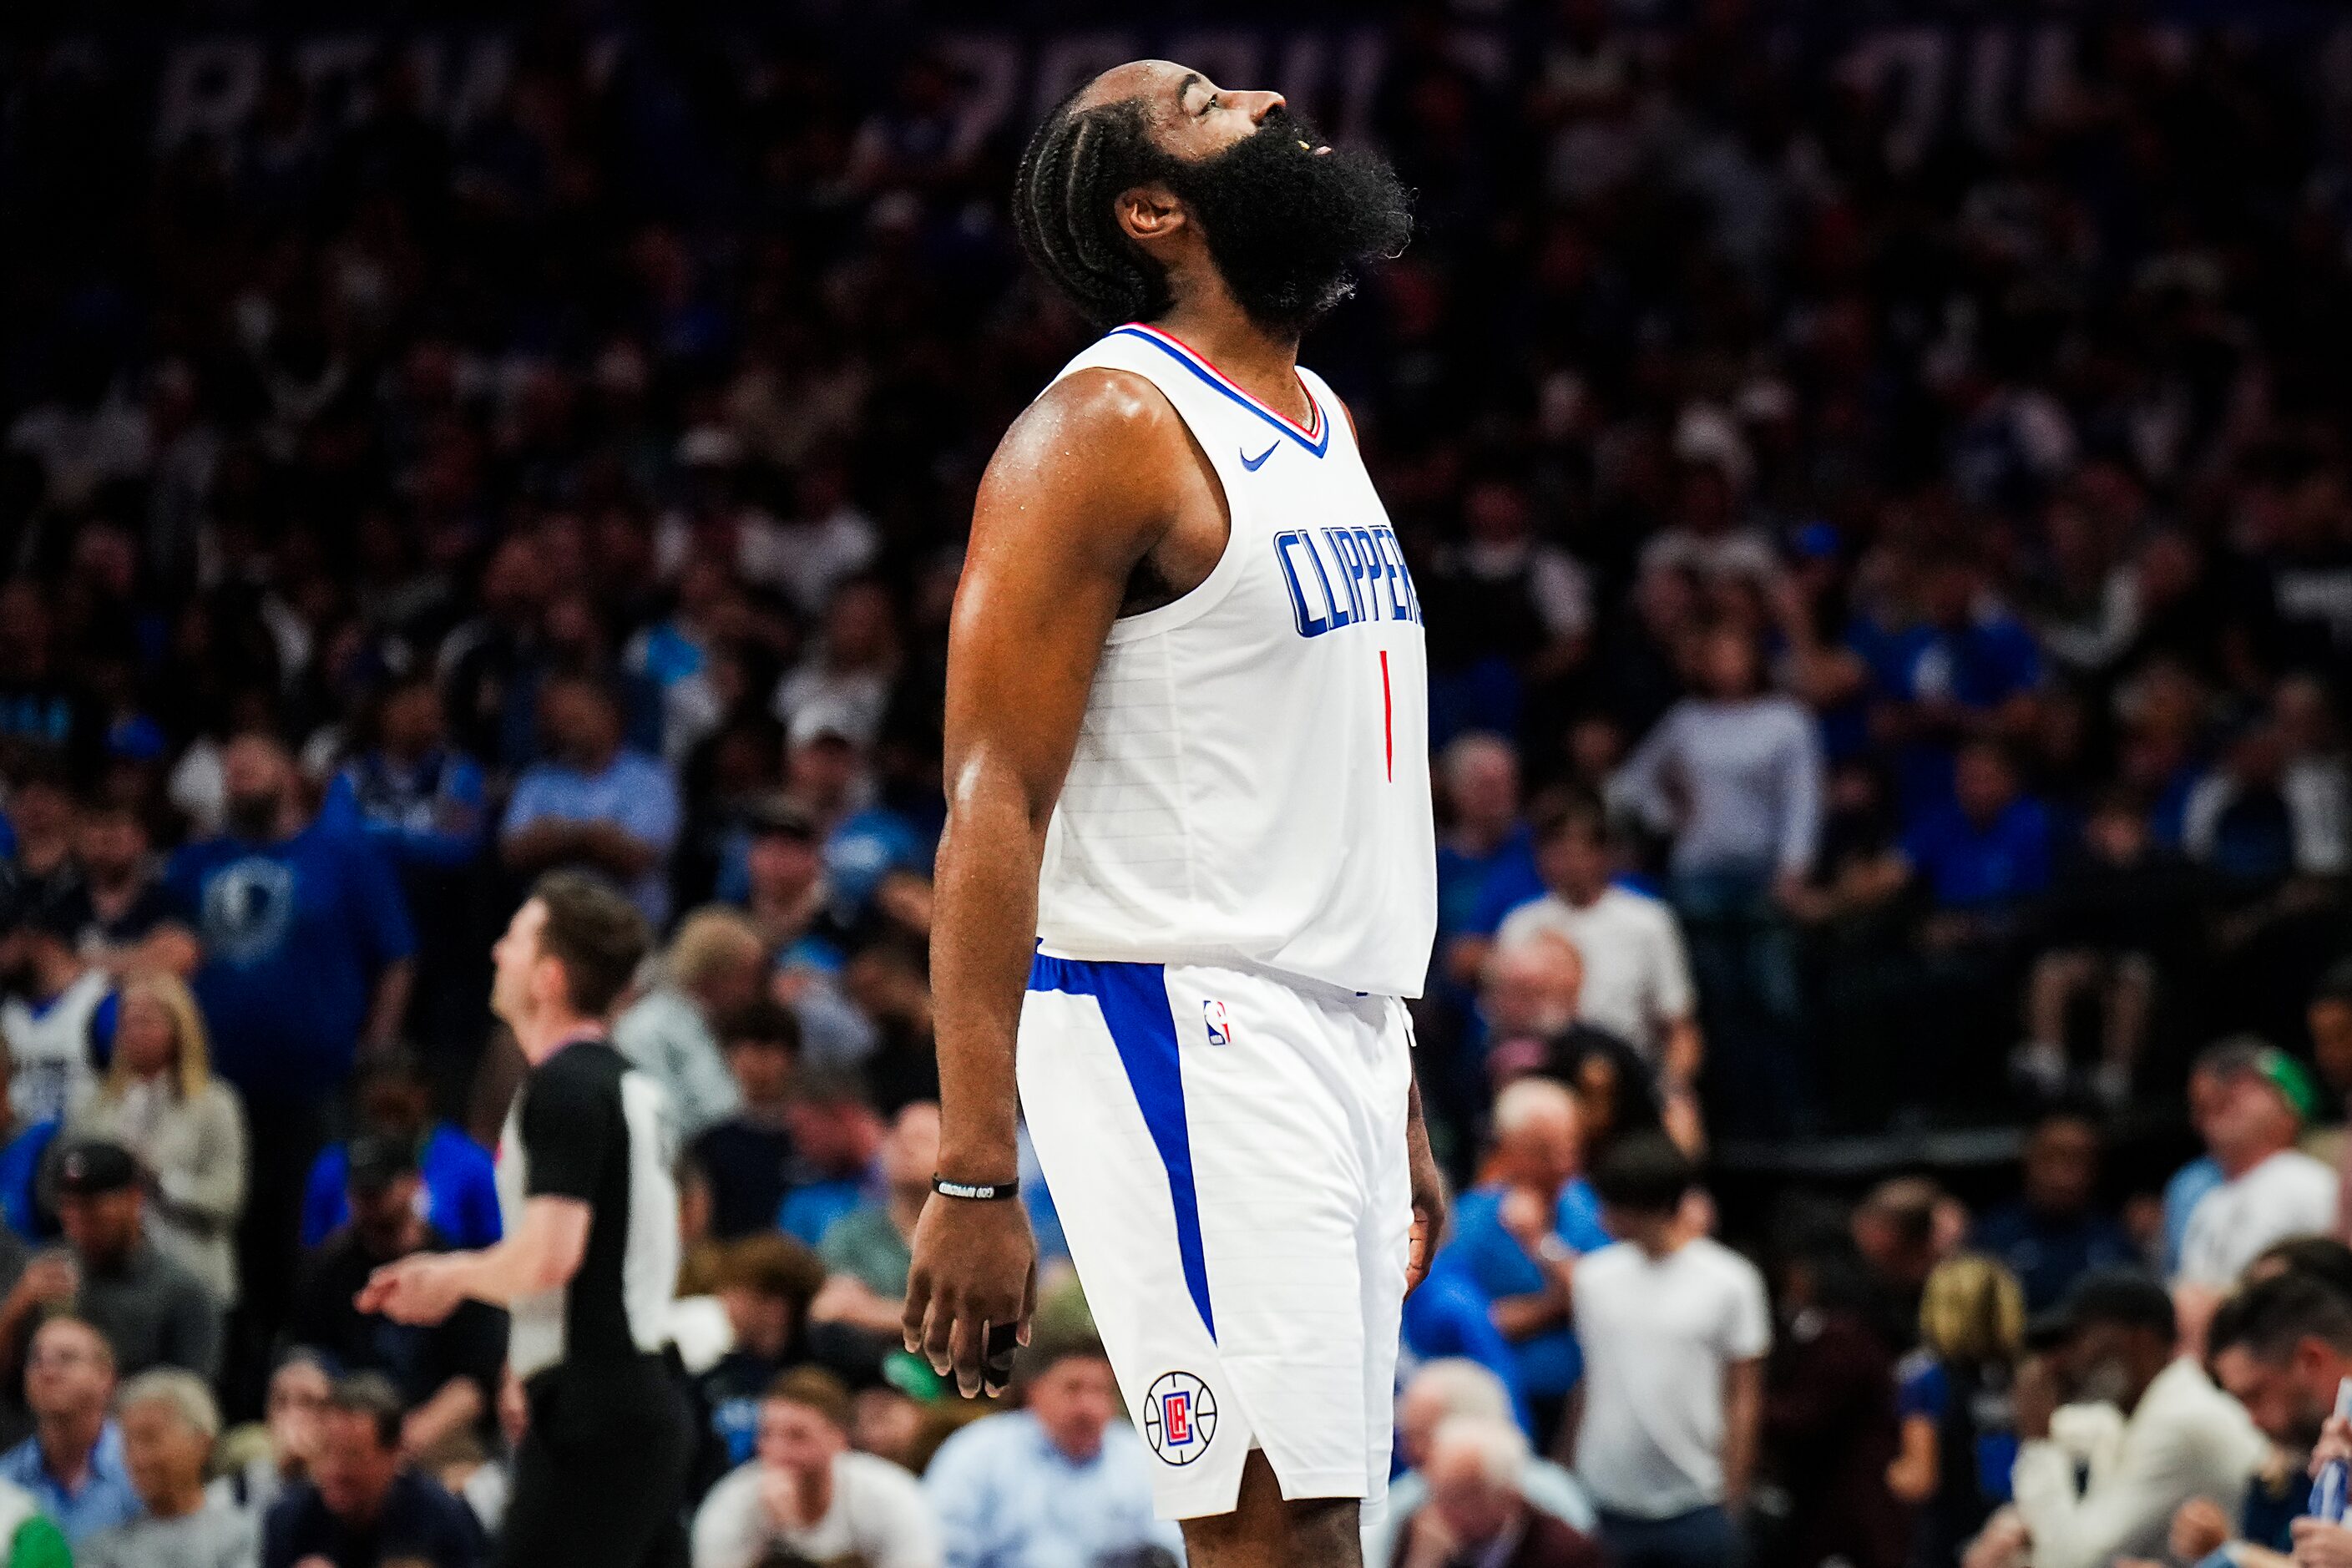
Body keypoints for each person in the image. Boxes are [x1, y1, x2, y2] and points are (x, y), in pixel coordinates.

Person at [914, 57, 1435, 1565]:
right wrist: (971, 1164)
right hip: (1179, 1019)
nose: (1267, 100)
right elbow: (990, 798)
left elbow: (1326, 787)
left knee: (1324, 1523)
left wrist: (1384, 1076)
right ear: (1153, 208)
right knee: (1271, 1537)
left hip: (1321, 1019)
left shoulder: (1316, 411)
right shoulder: (1105, 428)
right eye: (1209, 102)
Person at [359, 872, 691, 1568]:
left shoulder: (564, 1088)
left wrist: (450, 1276)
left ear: (548, 975)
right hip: (635, 1390)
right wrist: (527, 1354)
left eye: (513, 940)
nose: (494, 953)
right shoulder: (626, 1082)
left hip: (597, 1408)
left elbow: (550, 1256)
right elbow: (624, 1249)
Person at [164, 731, 416, 1343]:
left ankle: (304, 1346)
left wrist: (377, 1043)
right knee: (226, 1225)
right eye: (232, 764)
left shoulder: (341, 855)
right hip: (215, 1086)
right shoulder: (196, 864)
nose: (241, 769)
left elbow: (397, 955)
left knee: (307, 1229)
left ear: (291, 774)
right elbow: (165, 953)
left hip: (318, 1080)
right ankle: (235, 1357)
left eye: (257, 760)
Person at [1570, 1133, 1770, 1568]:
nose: (1602, 1218)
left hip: (1698, 1500)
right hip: (1605, 1498)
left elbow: (1745, 1395)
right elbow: (1591, 1378)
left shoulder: (1731, 1281)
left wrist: (1734, 1494)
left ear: (1652, 1207)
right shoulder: (1592, 1280)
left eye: (1612, 1205)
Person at [1991, 1268, 2263, 1568]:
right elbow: (2075, 1429)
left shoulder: (2180, 1420)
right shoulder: (2142, 1410)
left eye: (2078, 1338)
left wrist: (2037, 1440)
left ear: (2139, 1341)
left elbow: (2074, 1563)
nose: (2066, 1359)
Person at [286, 1134, 507, 1457]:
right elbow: (305, 1354)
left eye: (378, 1192)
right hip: (345, 1425)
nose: (369, 1205)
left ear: (413, 1184)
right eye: (360, 1193)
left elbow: (476, 1381)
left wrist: (407, 1440)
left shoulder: (453, 1268)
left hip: (432, 1432)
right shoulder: (329, 1267)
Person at [1435, 1079, 1611, 1444]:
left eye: (1571, 1148)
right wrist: (1559, 1305)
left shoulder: (1591, 1208)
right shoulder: (1470, 1220)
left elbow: (1608, 1301)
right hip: (1502, 1405)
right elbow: (1476, 1321)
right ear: (1511, 1150)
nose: (1564, 1163)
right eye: (1546, 1152)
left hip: (1590, 1401)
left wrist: (1539, 1242)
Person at [1494, 797, 1702, 1095]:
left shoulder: (1649, 921)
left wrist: (1673, 1090)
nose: (1569, 861)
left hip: (1629, 1077)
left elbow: (1679, 1026)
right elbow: (1503, 1019)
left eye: (1580, 849)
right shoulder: (1521, 923)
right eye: (1556, 849)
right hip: (1543, 1071)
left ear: (1605, 853)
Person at [64, 970, 247, 1304]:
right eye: (128, 1022)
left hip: (193, 1273)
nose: (135, 1032)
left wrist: (163, 1181)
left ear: (179, 1027)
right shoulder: (95, 1106)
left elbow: (228, 1198)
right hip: (112, 1282)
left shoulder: (214, 1104)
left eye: (147, 1021)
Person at [923, 1334, 1184, 1568]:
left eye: (1100, 1391)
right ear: (1034, 1390)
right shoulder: (977, 1453)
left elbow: (1175, 1548)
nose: (1088, 1406)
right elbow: (939, 1550)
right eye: (1073, 1388)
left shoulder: (1138, 1456)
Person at [689, 1367, 941, 1568]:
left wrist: (798, 1539)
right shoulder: (732, 1503)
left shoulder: (891, 1494)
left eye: (797, 1436)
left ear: (839, 1439)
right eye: (766, 1434)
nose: (777, 1450)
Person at [2175, 1039, 2339, 1343]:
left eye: (2246, 1089)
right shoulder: (2207, 1202)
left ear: (2289, 1106)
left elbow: (2330, 1284)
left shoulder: (2310, 1182)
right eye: (2209, 1106)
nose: (2228, 1101)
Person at [1368, 1360, 1595, 1566]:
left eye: (1423, 1436)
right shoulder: (1411, 1509)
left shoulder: (1554, 1505)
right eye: (1407, 1436)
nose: (1408, 1451)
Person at [499, 675, 682, 926]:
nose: (564, 729)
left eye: (576, 719)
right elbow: (513, 853)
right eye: (558, 720)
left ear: (610, 715)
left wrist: (559, 836)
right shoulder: (538, 779)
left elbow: (637, 858)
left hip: (631, 929)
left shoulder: (650, 778)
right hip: (555, 930)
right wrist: (594, 837)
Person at [260, 1373, 483, 1568]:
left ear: (395, 1454)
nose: (334, 1470)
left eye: (352, 1455)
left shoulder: (443, 1520)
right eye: (326, 1450)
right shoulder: (288, 1519)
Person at [1889, 1254, 2026, 1568]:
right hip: (2011, 1535)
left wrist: (1880, 1473)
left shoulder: (1926, 1379)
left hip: (1947, 1543)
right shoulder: (2021, 1377)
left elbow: (1921, 1478)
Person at [49, 1139, 223, 1380]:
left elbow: (189, 1400)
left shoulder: (182, 1293)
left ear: (134, 1198)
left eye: (92, 1209)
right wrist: (20, 1305)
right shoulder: (47, 1279)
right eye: (69, 1209)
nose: (78, 1225)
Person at [301, 1047, 501, 1252]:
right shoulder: (333, 1166)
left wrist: (420, 1234)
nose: (389, 1126)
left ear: (423, 1096)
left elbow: (498, 1255)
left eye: (398, 1111)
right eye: (378, 1112)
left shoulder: (471, 1165)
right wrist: (360, 1225)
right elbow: (310, 1264)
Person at [611, 906, 765, 1141]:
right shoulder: (647, 1030)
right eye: (745, 976)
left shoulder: (710, 1026)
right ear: (714, 973)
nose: (751, 992)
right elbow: (660, 1120)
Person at [76, 1368, 255, 1568]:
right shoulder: (106, 1547)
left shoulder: (240, 1536)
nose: (137, 1458)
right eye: (128, 1443)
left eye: (150, 1439)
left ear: (201, 1443)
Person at [1969, 1107, 2137, 1314]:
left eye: (2077, 1160)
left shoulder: (2115, 1239)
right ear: (2028, 1158)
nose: (2063, 1176)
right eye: (2051, 1157)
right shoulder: (1992, 1238)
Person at [1390, 1415, 1604, 1568]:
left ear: (1508, 1496)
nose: (1442, 1509)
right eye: (1438, 1494)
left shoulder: (1564, 1550)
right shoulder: (1421, 1528)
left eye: (1462, 1496)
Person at [0, 1317, 138, 1542]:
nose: (47, 1372)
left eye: (66, 1359)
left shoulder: (141, 1471)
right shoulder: (7, 1479)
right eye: (36, 1359)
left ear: (106, 1377)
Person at [813, 1100, 936, 1339]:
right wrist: (929, 1321)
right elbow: (828, 1310)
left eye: (922, 1139)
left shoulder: (970, 1239)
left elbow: (976, 1328)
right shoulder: (851, 1232)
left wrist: (870, 1311)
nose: (906, 1147)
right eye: (899, 1137)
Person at [0, 883, 114, 1129]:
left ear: (28, 934)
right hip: (17, 1152)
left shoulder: (100, 1003)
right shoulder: (9, 1010)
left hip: (86, 1147)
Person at [691, 1000, 800, 1240]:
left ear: (790, 1058)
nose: (758, 1064)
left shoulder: (810, 1140)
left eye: (769, 1051)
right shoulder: (712, 1144)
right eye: (746, 1051)